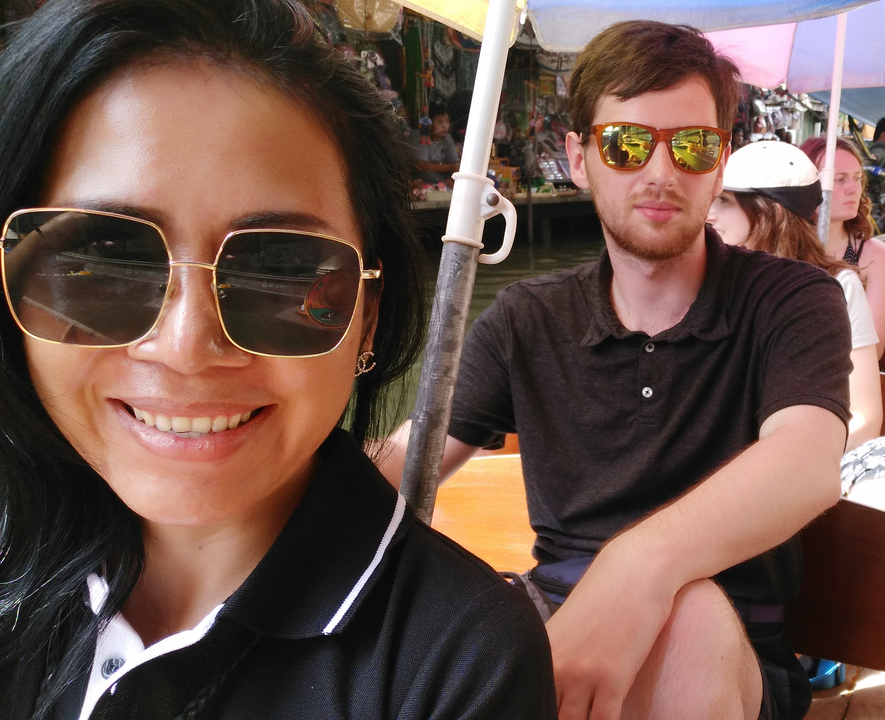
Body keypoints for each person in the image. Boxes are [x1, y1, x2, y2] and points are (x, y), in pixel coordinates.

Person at [0, 1, 555, 718]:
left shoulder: (457, 663)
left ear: (368, 318)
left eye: (283, 268)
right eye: (107, 259)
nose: (186, 346)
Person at [383, 20, 853, 720]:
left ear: (719, 163)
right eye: (627, 145)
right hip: (553, 610)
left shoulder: (790, 300)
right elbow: (405, 462)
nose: (660, 173)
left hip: (730, 648)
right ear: (579, 157)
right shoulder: (527, 319)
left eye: (691, 147)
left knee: (688, 614)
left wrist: (639, 569)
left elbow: (808, 460)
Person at [706, 140, 885, 514]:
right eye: (712, 200)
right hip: (719, 466)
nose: (709, 214)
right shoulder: (703, 281)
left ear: (772, 213)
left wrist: (787, 471)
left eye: (725, 201)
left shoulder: (836, 288)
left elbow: (864, 415)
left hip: (804, 462)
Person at [799, 136, 885, 357]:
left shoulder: (876, 257)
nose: (854, 188)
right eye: (839, 179)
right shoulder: (779, 249)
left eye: (858, 178)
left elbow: (873, 349)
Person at [415, 107, 462, 186]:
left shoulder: (447, 138)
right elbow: (421, 165)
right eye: (440, 123)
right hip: (421, 181)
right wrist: (449, 167)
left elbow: (454, 163)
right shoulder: (422, 136)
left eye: (447, 121)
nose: (445, 126)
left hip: (442, 179)